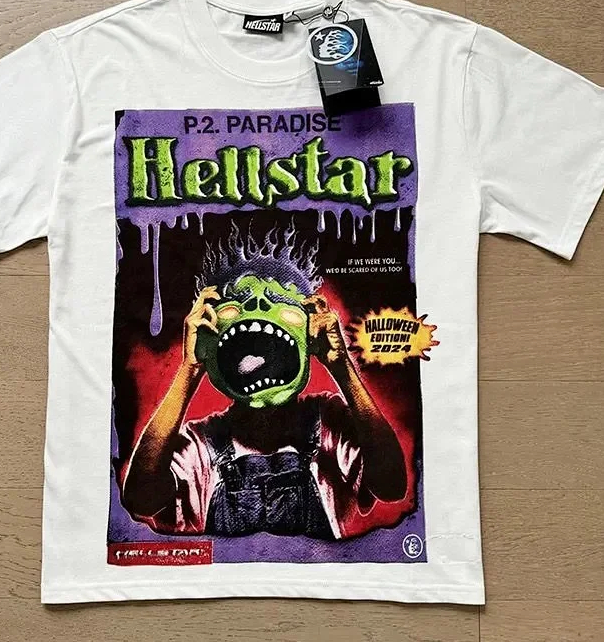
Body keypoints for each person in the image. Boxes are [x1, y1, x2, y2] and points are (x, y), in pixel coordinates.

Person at [121, 225, 406, 539]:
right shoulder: (200, 445)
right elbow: (141, 499)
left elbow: (391, 486)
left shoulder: (327, 421)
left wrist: (341, 367)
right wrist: (190, 368)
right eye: (237, 303)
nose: (258, 305)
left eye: (279, 300)